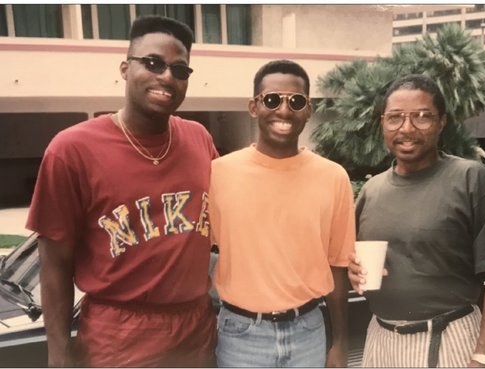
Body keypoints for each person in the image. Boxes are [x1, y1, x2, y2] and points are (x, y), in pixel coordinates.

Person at [26, 15, 218, 367]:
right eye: (153, 63)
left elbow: (227, 224)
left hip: (196, 331)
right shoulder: (72, 149)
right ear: (125, 68)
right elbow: (54, 265)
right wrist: (58, 354)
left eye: (180, 70)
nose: (166, 77)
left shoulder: (199, 138)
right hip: (118, 336)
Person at [348, 74, 485, 367]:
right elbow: (350, 256)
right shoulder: (372, 190)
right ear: (382, 123)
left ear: (442, 122)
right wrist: (353, 271)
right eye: (395, 118)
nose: (407, 128)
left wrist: (483, 356)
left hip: (449, 338)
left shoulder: (472, 179)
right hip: (381, 338)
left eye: (422, 117)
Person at [209, 59, 355, 367]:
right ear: (254, 106)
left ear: (308, 110)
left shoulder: (333, 177)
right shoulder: (218, 173)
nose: (284, 110)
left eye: (296, 101)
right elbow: (198, 254)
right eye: (272, 99)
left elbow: (338, 266)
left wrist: (340, 343)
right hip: (240, 335)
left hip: (309, 332)